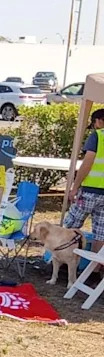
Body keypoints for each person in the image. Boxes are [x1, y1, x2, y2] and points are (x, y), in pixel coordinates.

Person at [64, 107, 104, 252]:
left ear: (98, 121)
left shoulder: (97, 136)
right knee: (101, 233)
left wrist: (75, 187)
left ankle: (60, 260)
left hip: (89, 191)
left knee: (70, 226)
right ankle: (94, 269)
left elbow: (88, 163)